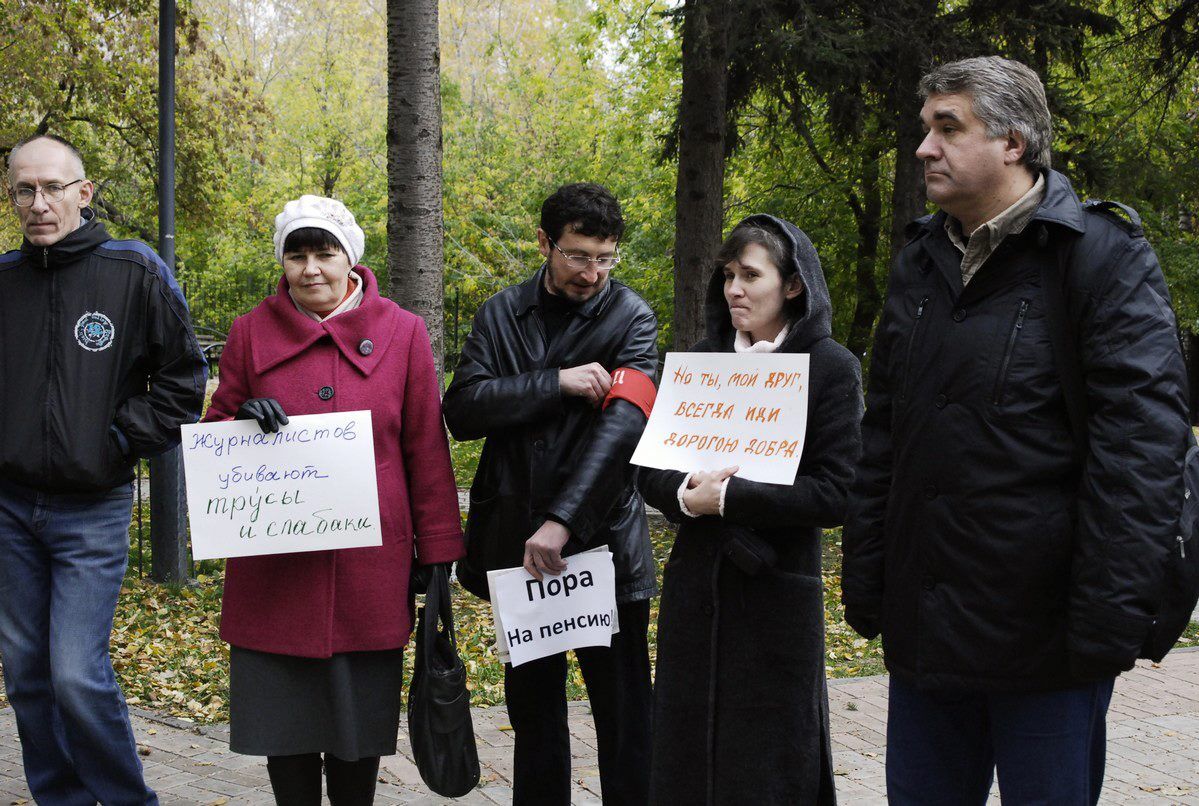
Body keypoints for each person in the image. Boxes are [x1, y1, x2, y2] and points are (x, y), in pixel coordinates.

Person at [841, 56, 1192, 805]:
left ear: (1014, 142)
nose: (924, 148)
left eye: (947, 127)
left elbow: (1141, 456)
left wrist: (1104, 626)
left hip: (1048, 646)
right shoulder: (919, 261)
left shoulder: (1100, 256)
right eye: (924, 128)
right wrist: (869, 580)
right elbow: (886, 439)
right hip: (927, 635)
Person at [203, 195, 465, 804]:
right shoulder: (248, 332)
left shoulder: (403, 331)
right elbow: (215, 436)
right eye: (297, 255)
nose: (311, 268)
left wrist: (439, 550)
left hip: (369, 568)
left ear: (351, 258)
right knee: (285, 732)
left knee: (358, 736)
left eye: (325, 253)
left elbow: (426, 447)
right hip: (275, 573)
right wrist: (241, 417)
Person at [0, 134, 206, 805]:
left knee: (75, 674)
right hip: (11, 510)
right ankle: (60, 798)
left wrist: (119, 439)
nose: (38, 204)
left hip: (91, 508)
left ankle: (125, 800)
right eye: (23, 190)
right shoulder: (4, 282)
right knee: (27, 672)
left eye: (52, 188)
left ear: (83, 193)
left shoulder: (133, 272)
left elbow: (183, 381)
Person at [443, 182, 658, 805]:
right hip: (517, 544)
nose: (593, 272)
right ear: (545, 243)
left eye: (606, 257)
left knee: (623, 716)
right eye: (578, 255)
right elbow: (462, 409)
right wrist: (553, 384)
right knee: (534, 714)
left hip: (603, 547)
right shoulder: (500, 314)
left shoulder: (632, 319)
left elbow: (622, 430)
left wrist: (564, 519)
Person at [639, 216, 862, 805]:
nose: (734, 289)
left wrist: (734, 499)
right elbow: (651, 470)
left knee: (768, 763)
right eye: (728, 275)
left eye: (750, 276)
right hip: (695, 590)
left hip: (775, 595)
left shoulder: (830, 367)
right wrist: (687, 497)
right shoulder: (700, 361)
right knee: (687, 754)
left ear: (792, 285)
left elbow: (835, 491)